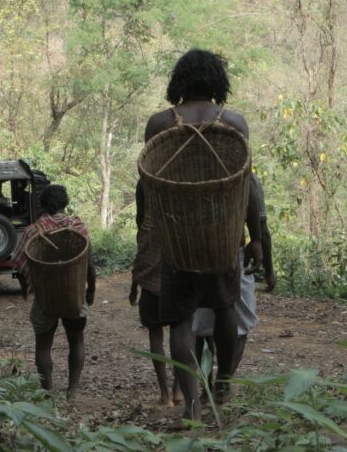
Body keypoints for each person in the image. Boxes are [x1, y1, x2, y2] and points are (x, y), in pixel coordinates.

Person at [142, 49, 263, 424]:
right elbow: (247, 186)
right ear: (216, 82)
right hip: (220, 235)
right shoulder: (235, 123)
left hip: (177, 237)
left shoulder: (160, 124)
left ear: (178, 82)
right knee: (225, 306)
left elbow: (146, 183)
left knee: (180, 320)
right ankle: (223, 384)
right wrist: (255, 236)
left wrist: (144, 229)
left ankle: (192, 402)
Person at [192, 173, 276, 392]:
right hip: (229, 252)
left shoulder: (191, 172)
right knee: (235, 320)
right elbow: (261, 225)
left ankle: (209, 386)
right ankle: (223, 382)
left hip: (195, 254)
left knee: (201, 326)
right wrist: (268, 268)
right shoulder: (248, 179)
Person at [11, 184, 96, 400]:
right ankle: (73, 391)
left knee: (43, 346)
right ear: (65, 202)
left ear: (42, 204)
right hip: (73, 297)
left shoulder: (33, 232)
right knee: (76, 341)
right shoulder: (78, 227)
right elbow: (89, 264)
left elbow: (20, 264)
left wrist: (25, 289)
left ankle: (47, 392)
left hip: (45, 299)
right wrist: (91, 290)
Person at [129, 181, 182, 407]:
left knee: (155, 334)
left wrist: (135, 284)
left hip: (152, 279)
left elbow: (142, 253)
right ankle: (178, 389)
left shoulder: (147, 226)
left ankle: (164, 393)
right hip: (180, 276)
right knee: (182, 333)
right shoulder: (181, 225)